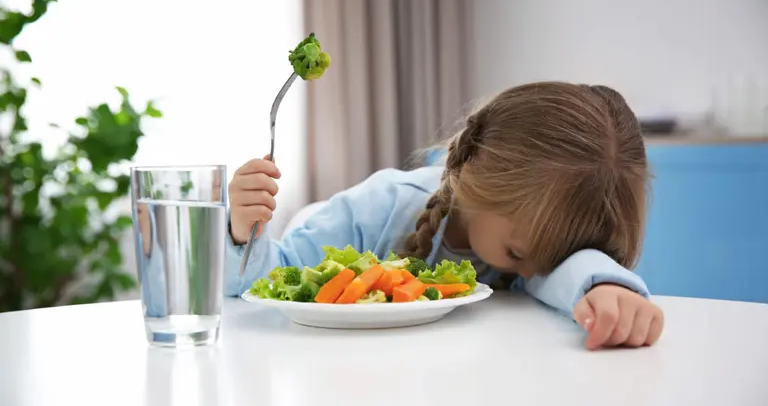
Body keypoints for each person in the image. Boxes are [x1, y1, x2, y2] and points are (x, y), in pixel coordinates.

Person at [225, 82, 664, 350]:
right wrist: (241, 233)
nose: (533, 270)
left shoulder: (533, 250)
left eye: (549, 260)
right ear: (479, 184)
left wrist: (603, 284)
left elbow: (556, 274)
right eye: (518, 252)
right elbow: (270, 282)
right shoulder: (382, 207)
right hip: (316, 234)